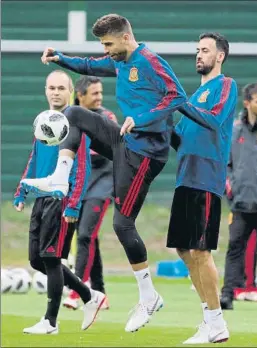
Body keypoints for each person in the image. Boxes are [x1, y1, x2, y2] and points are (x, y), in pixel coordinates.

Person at [20, 14, 187, 332]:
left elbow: (176, 96)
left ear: (125, 37)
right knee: (73, 112)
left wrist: (142, 118)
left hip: (146, 155)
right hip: (127, 143)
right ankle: (60, 174)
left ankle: (148, 297)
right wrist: (61, 58)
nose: (106, 51)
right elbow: (88, 65)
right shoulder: (120, 62)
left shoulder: (149, 60)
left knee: (122, 224)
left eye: (108, 44)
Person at [14, 70, 106, 335]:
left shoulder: (76, 123)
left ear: (70, 92)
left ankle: (50, 322)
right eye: (51, 88)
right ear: (46, 90)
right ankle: (90, 295)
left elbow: (82, 169)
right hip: (41, 199)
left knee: (51, 258)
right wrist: (22, 191)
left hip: (61, 198)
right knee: (36, 260)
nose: (55, 92)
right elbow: (34, 159)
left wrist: (73, 204)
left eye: (60, 88)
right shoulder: (44, 121)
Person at [168, 32, 238, 344]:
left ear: (219, 56)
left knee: (201, 249)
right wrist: (157, 124)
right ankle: (209, 319)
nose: (199, 55)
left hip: (207, 178)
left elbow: (212, 121)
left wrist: (178, 103)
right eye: (197, 50)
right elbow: (179, 141)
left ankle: (217, 322)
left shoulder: (225, 86)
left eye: (205, 50)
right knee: (184, 250)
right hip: (184, 176)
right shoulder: (192, 98)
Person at [221, 82, 257, 311]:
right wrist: (230, 188)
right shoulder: (234, 130)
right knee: (234, 248)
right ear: (247, 104)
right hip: (241, 203)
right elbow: (227, 163)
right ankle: (227, 295)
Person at [63, 76, 117, 310]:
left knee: (85, 235)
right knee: (89, 237)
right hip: (78, 187)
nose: (100, 97)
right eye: (94, 93)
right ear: (80, 95)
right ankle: (100, 292)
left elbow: (119, 149)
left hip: (103, 184)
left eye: (100, 92)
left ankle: (78, 291)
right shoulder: (69, 118)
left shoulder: (107, 118)